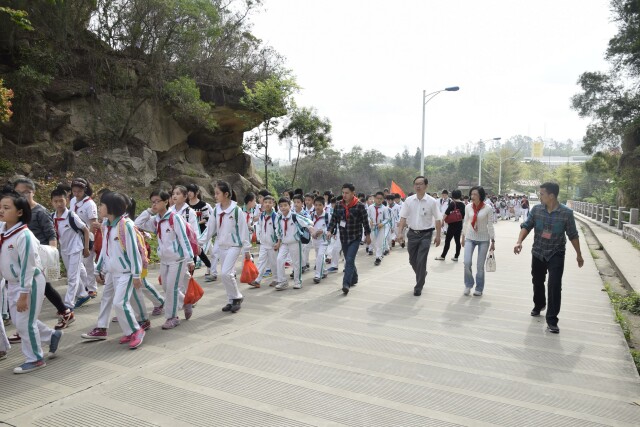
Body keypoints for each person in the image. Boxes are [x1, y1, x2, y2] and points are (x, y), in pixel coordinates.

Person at [0, 191, 63, 373]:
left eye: (6, 208)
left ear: (20, 212)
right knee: (22, 321)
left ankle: (35, 358)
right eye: (0, 207)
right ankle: (51, 336)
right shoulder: (4, 230)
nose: (2, 211)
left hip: (30, 282)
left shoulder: (24, 236)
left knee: (24, 323)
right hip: (13, 283)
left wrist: (23, 294)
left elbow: (28, 268)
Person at [514, 182, 583, 334]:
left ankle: (552, 319)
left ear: (551, 196)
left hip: (556, 253)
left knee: (554, 285)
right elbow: (527, 226)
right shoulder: (537, 210)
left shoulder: (566, 213)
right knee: (537, 281)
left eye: (542, 194)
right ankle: (539, 304)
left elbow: (573, 235)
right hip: (538, 251)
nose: (539, 196)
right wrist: (519, 241)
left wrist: (579, 254)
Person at [13, 178, 74, 332]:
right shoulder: (18, 213)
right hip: (23, 255)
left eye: (24, 192)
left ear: (32, 192)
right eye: (17, 193)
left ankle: (28, 326)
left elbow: (52, 234)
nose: (21, 196)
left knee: (37, 288)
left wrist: (51, 259)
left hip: (39, 257)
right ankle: (63, 312)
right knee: (41, 289)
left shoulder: (40, 211)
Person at [135, 190, 195, 329]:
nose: (154, 204)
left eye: (157, 201)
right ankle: (185, 302)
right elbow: (137, 224)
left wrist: (190, 259)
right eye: (152, 202)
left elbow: (183, 238)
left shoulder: (174, 218)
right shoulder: (155, 220)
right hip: (164, 260)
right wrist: (149, 211)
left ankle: (172, 317)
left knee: (171, 289)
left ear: (166, 201)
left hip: (177, 259)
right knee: (166, 287)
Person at [199, 181, 251, 313]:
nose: (215, 196)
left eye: (217, 193)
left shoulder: (237, 210)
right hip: (222, 245)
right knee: (226, 275)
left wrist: (247, 249)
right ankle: (231, 300)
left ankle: (237, 297)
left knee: (226, 273)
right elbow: (210, 229)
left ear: (226, 194)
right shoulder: (216, 210)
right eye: (215, 193)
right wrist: (199, 242)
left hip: (234, 245)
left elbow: (244, 230)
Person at [395, 176, 442, 296]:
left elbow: (438, 219)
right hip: (412, 234)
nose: (418, 186)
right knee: (412, 260)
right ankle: (422, 273)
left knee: (421, 260)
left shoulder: (432, 201)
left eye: (420, 184)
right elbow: (403, 217)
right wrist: (400, 233)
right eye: (416, 184)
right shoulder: (409, 200)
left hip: (426, 234)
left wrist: (438, 236)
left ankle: (418, 286)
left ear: (426, 186)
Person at [50, 188, 92, 310]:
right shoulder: (52, 216)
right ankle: (83, 294)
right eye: (56, 201)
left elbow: (85, 230)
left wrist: (86, 248)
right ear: (51, 202)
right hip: (64, 249)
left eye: (61, 201)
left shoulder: (71, 215)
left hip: (76, 248)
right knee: (75, 273)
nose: (59, 204)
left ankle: (69, 304)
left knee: (72, 277)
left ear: (67, 201)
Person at [327, 183, 371, 295]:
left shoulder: (359, 206)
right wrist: (329, 230)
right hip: (343, 237)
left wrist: (368, 235)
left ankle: (346, 284)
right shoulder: (338, 205)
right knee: (349, 259)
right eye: (343, 193)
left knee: (349, 260)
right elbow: (334, 219)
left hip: (355, 237)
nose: (344, 195)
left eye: (347, 193)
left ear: (353, 193)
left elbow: (365, 222)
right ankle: (354, 277)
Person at [461, 186, 495, 296]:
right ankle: (468, 284)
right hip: (470, 237)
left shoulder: (488, 208)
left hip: (484, 239)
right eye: (471, 194)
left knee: (480, 266)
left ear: (481, 196)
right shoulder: (468, 207)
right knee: (467, 262)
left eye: (475, 194)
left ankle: (479, 288)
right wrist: (463, 236)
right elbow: (466, 222)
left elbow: (490, 225)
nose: (472, 196)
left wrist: (493, 240)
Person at [273, 197, 314, 290]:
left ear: (290, 206)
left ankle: (297, 281)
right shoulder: (279, 218)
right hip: (284, 243)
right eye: (281, 206)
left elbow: (308, 222)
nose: (283, 207)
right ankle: (282, 282)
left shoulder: (294, 216)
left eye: (285, 205)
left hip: (295, 242)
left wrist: (311, 229)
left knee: (296, 262)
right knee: (279, 260)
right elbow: (278, 231)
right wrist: (278, 242)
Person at [69, 178, 100, 298]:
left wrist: (90, 240)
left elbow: (93, 223)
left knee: (89, 263)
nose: (76, 194)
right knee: (80, 263)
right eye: (74, 191)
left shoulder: (90, 204)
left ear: (85, 190)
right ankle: (85, 285)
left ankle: (92, 288)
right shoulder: (72, 201)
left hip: (87, 236)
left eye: (79, 191)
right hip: (75, 236)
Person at [249, 195, 278, 288]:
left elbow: (278, 230)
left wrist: (278, 242)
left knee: (273, 263)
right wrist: (259, 238)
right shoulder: (262, 215)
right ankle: (257, 280)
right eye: (265, 202)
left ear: (273, 204)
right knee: (261, 261)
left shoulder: (275, 216)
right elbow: (260, 227)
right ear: (263, 204)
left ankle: (276, 279)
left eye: (270, 202)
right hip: (263, 243)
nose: (267, 204)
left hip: (273, 244)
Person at [435, 189, 465, 262]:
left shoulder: (452, 203)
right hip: (459, 224)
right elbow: (463, 216)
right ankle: (456, 256)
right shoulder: (463, 204)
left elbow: (446, 213)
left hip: (452, 225)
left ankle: (443, 256)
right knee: (457, 241)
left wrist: (442, 221)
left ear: (453, 195)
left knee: (448, 240)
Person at [310, 196, 330, 284]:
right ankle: (324, 271)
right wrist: (312, 233)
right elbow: (308, 226)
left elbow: (331, 227)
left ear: (324, 205)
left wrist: (323, 231)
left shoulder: (327, 216)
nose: (317, 207)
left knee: (320, 256)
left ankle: (317, 275)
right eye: (316, 205)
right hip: (315, 240)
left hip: (324, 240)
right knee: (319, 256)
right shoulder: (311, 215)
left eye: (320, 205)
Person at [367, 191, 391, 266]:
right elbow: (367, 216)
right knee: (373, 242)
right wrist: (369, 221)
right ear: (374, 198)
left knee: (380, 242)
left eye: (381, 198)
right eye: (377, 198)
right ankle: (379, 254)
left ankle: (378, 258)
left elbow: (387, 218)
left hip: (381, 228)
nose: (379, 200)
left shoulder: (385, 208)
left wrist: (382, 223)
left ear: (383, 199)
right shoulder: (370, 207)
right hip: (373, 227)